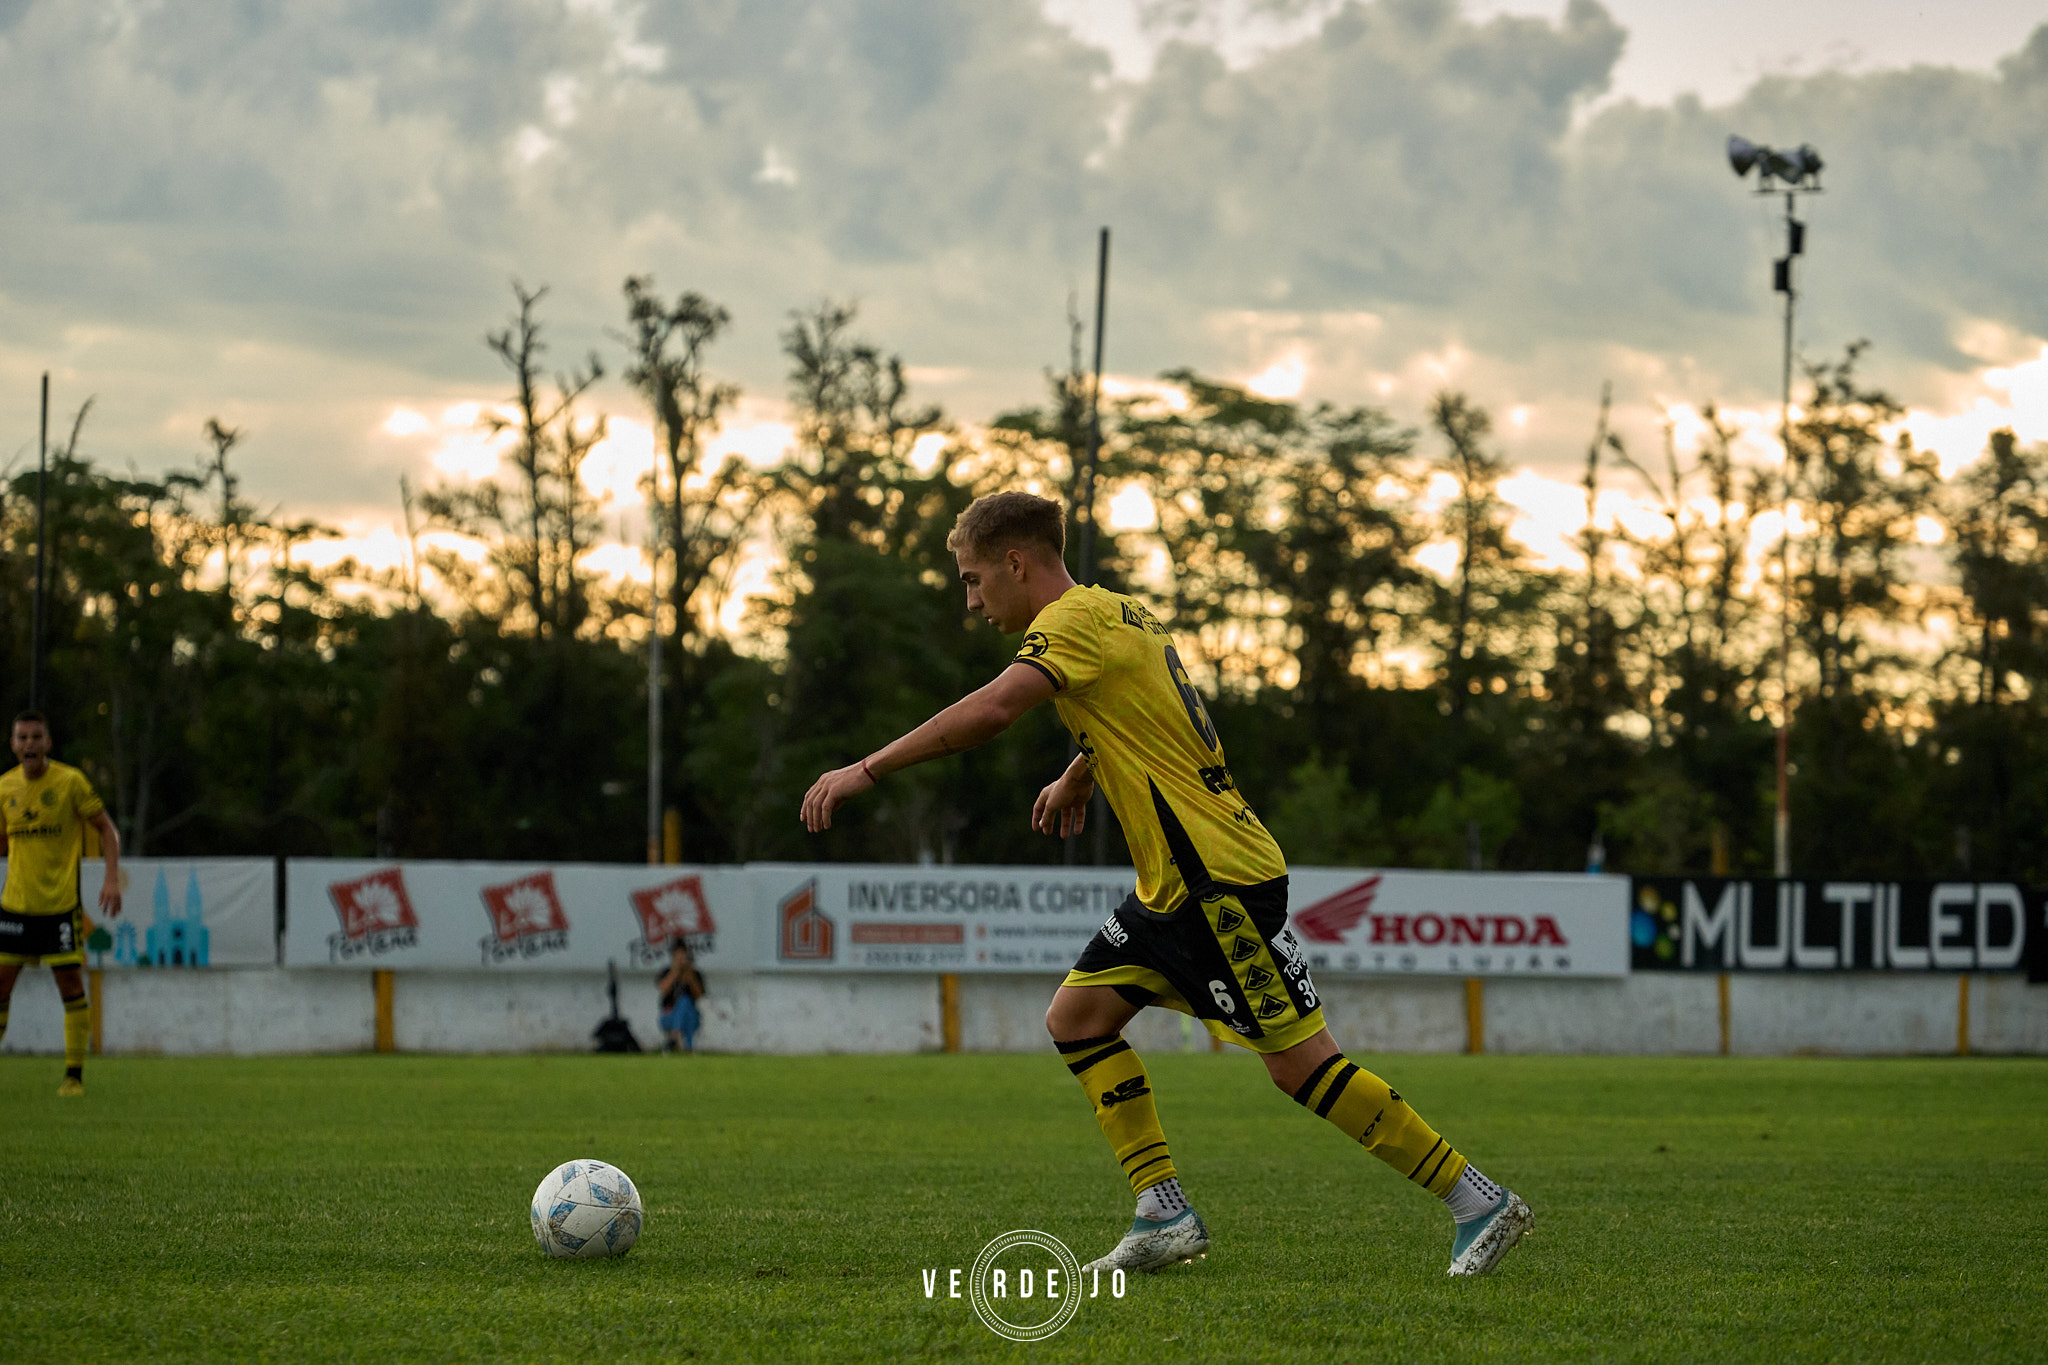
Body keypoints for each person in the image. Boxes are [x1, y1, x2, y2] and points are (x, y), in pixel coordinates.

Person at [801, 491, 1532, 1278]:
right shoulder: (1122, 612)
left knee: (1300, 1063)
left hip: (1215, 883)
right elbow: (1146, 713)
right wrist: (1082, 770)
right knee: (1078, 1017)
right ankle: (1164, 1210)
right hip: (1171, 890)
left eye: (975, 580)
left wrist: (866, 768)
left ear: (1018, 563)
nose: (971, 600)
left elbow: (994, 710)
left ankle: (1477, 1198)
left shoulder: (1066, 626)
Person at [0, 711, 123, 1096]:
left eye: (37, 737)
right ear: (13, 744)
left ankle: (74, 1076)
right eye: (22, 737)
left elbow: (106, 829)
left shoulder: (70, 782)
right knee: (0, 986)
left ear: (48, 743)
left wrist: (110, 878)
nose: (30, 744)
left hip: (59, 906)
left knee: (69, 982)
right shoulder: (3, 788)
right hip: (15, 905)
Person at [656, 938, 705, 1053]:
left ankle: (674, 1037)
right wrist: (676, 971)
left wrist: (689, 976)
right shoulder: (666, 972)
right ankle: (688, 1046)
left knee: (686, 1002)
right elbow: (663, 990)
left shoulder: (694, 973)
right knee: (684, 1003)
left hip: (691, 1016)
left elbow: (699, 995)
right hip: (669, 1016)